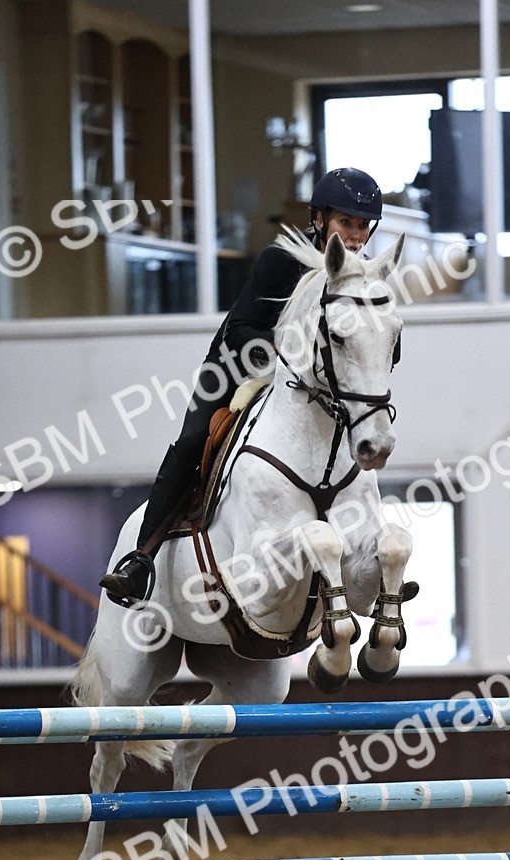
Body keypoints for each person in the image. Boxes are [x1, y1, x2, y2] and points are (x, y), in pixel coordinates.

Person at [101, 166, 383, 604]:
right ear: (320, 219)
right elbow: (241, 330)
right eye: (345, 222)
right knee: (194, 439)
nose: (354, 235)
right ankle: (140, 560)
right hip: (237, 368)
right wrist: (288, 351)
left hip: (310, 391)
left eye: (362, 226)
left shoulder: (361, 278)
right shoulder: (280, 262)